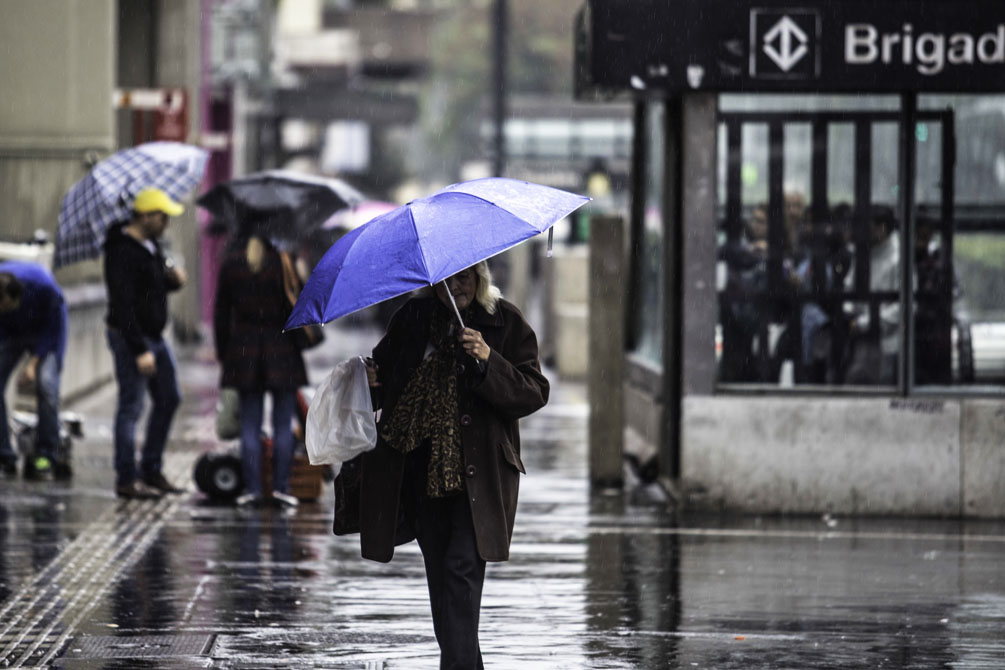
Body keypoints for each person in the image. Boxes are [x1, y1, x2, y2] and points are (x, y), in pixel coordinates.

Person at [358, 261, 548, 669]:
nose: (454, 287)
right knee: (443, 584)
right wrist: (374, 385)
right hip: (422, 472)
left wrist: (488, 358)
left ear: (479, 277)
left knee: (461, 574)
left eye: (463, 277)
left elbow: (533, 392)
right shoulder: (412, 319)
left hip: (478, 478)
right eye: (445, 279)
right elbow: (389, 387)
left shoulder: (504, 321)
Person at [103, 187, 187, 499]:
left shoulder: (150, 245)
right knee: (131, 406)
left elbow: (152, 288)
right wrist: (138, 350)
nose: (166, 222)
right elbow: (123, 305)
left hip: (155, 336)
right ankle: (127, 478)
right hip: (131, 338)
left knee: (169, 397)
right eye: (163, 216)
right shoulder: (121, 251)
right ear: (146, 216)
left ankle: (151, 468)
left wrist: (171, 281)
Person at [213, 235, 307, 508]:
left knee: (249, 426)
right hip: (282, 348)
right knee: (282, 425)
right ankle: (281, 488)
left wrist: (225, 354)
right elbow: (300, 303)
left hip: (245, 351)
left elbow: (221, 313)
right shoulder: (284, 262)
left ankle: (253, 489)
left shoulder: (232, 264)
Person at [0, 263, 68, 480]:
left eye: (5, 306)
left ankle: (46, 455)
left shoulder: (43, 287)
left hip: (46, 332)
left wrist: (32, 364)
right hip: (13, 334)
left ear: (16, 297)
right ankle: (5, 456)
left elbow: (53, 329)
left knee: (46, 385)